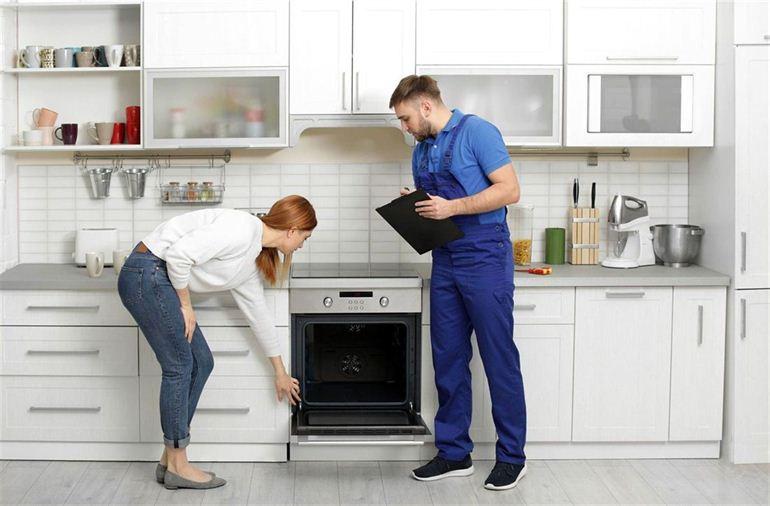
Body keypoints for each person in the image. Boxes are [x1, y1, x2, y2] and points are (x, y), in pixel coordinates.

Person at [117, 195, 316, 490]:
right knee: (180, 365)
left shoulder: (251, 258)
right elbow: (179, 255)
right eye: (304, 237)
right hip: (147, 273)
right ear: (292, 229)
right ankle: (179, 465)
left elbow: (258, 314)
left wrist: (280, 372)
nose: (302, 244)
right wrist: (186, 305)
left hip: (158, 277)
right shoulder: (241, 229)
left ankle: (169, 459)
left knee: (202, 362)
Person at [390, 75, 527, 491]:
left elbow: (510, 190)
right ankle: (454, 453)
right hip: (445, 258)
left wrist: (452, 206)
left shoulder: (479, 132)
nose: (405, 127)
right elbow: (439, 206)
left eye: (406, 118)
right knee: (447, 357)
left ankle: (512, 457)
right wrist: (414, 202)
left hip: (485, 257)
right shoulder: (423, 148)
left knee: (498, 358)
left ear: (426, 107)